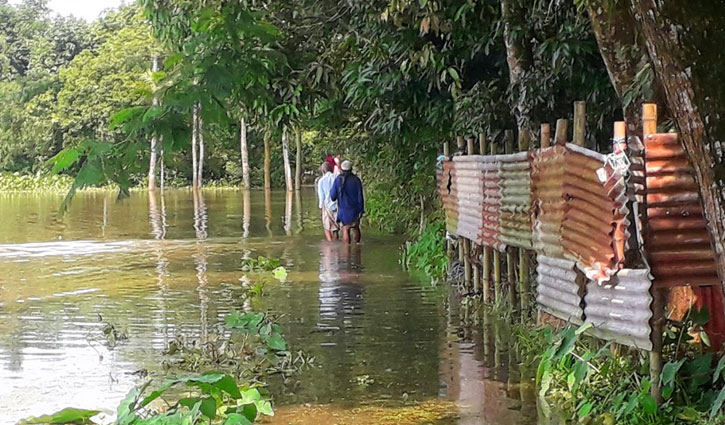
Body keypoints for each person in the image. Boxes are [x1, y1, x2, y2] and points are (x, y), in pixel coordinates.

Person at [330, 160, 365, 243]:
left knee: (345, 228)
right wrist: (361, 209)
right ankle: (357, 246)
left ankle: (347, 251)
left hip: (343, 209)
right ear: (351, 169)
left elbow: (333, 196)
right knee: (356, 227)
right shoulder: (356, 180)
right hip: (355, 209)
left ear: (341, 169)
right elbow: (360, 196)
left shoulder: (338, 180)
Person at [316, 162, 339, 241]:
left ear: (323, 171)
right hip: (338, 205)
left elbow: (321, 196)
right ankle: (336, 240)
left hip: (327, 206)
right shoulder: (336, 177)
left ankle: (330, 243)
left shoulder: (321, 181)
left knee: (327, 227)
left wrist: (320, 207)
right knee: (336, 226)